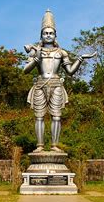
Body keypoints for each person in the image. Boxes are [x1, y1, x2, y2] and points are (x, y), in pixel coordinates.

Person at [24, 9, 96, 152]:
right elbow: (25, 70)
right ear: (41, 35)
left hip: (57, 85)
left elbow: (69, 72)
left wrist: (81, 59)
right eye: (45, 33)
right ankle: (39, 146)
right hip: (40, 85)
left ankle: (54, 145)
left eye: (51, 33)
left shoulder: (61, 53)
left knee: (56, 117)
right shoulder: (36, 51)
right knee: (39, 117)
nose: (48, 35)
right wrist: (36, 58)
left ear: (55, 35)